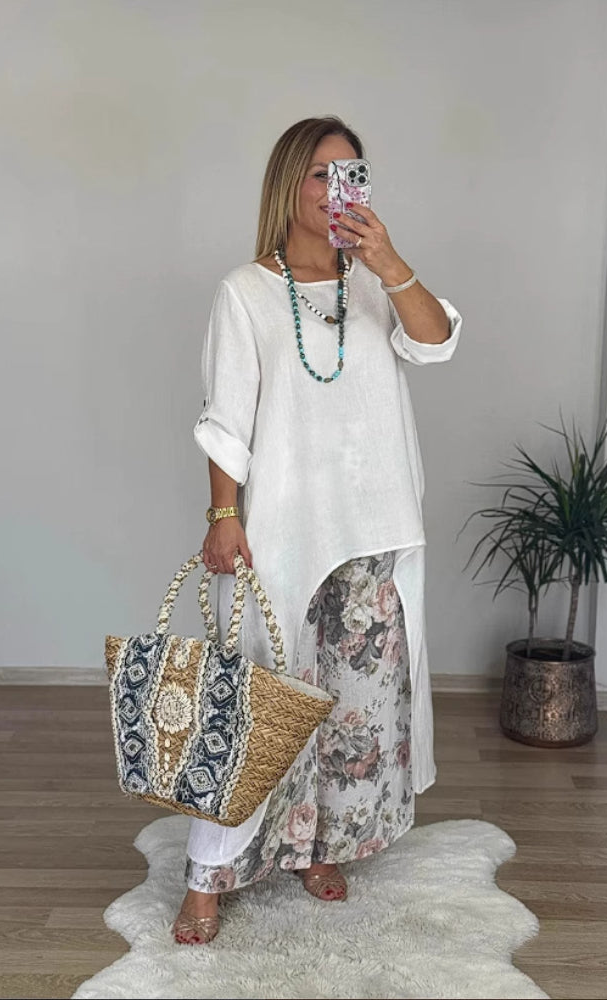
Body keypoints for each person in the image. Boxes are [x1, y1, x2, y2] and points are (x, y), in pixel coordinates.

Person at [173, 116, 463, 944]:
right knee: (260, 704)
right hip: (286, 529)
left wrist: (391, 263)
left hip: (374, 528)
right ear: (288, 183)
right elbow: (226, 421)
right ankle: (206, 879)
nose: (339, 189)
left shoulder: (378, 280)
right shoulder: (245, 292)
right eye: (322, 174)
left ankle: (317, 846)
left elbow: (436, 342)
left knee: (355, 712)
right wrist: (224, 515)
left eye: (352, 173)